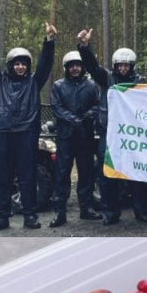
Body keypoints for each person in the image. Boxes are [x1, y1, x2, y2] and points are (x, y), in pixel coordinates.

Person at [0, 21, 55, 232]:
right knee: (2, 176)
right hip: (3, 132)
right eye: (16, 63)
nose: (20, 66)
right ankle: (1, 217)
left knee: (27, 176)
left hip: (27, 133)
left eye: (24, 63)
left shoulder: (34, 82)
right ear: (11, 65)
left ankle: (30, 216)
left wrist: (49, 41)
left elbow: (46, 65)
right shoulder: (0, 82)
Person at [77, 34, 147, 226]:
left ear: (132, 66)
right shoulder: (105, 78)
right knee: (107, 174)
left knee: (137, 173)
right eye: (120, 65)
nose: (123, 68)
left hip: (133, 135)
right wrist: (85, 47)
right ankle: (111, 212)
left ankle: (141, 211)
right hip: (108, 133)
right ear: (115, 65)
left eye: (127, 65)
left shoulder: (139, 81)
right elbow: (92, 67)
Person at [49, 49, 101, 227]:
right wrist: (73, 119)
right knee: (62, 174)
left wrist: (87, 116)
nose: (75, 68)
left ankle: (86, 209)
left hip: (85, 136)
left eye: (78, 65)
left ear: (82, 67)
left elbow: (97, 105)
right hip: (65, 136)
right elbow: (55, 107)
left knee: (86, 173)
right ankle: (59, 212)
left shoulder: (91, 85)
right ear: (66, 68)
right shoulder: (58, 85)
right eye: (71, 66)